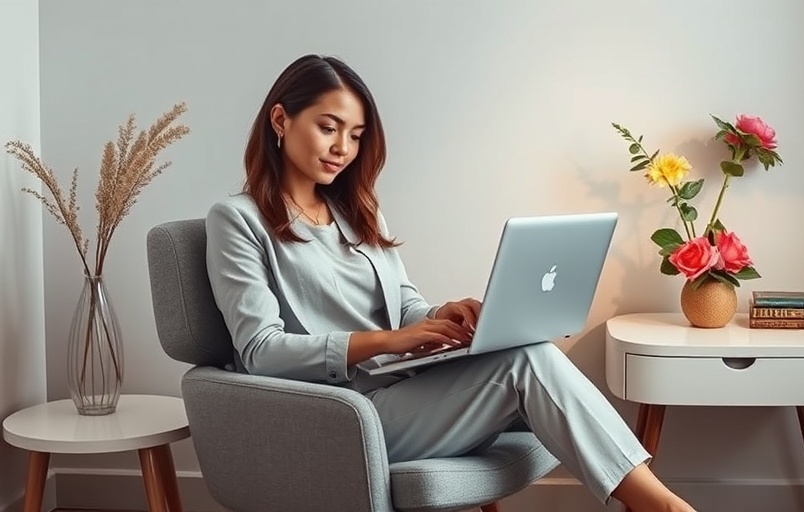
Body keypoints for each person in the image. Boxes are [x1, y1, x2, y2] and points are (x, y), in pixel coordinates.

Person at [205, 54, 697, 512]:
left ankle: (657, 504)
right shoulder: (239, 220)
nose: (343, 149)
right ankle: (663, 506)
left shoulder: (355, 211)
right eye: (328, 128)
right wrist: (390, 341)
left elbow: (402, 304)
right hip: (342, 416)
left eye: (355, 135)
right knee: (527, 364)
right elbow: (261, 351)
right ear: (280, 120)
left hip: (407, 391)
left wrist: (441, 317)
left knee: (530, 350)